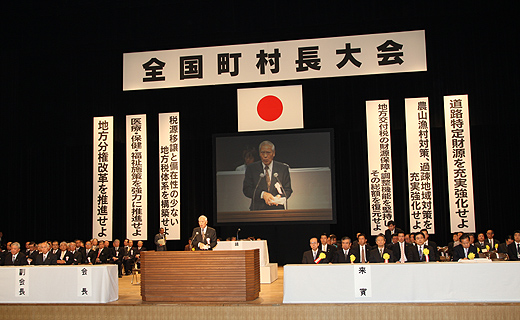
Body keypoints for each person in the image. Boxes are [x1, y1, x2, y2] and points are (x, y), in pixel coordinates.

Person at [242, 140, 292, 210]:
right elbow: (247, 189)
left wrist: (279, 197)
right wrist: (263, 194)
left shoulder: (283, 168)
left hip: (277, 209)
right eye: (262, 153)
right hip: (258, 210)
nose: (265, 156)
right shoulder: (252, 168)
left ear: (273, 153)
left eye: (268, 152)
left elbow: (288, 190)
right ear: (259, 153)